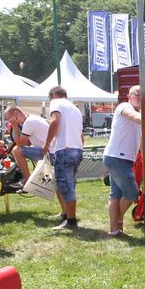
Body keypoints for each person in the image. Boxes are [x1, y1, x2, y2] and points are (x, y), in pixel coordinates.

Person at [42, 86, 84, 230]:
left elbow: (55, 122)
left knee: (66, 187)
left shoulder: (56, 103)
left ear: (53, 95)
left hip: (64, 149)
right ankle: (69, 218)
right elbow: (80, 133)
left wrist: (47, 144)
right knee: (70, 186)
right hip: (77, 149)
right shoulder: (75, 109)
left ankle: (71, 221)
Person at [103, 86, 141, 237]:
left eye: (142, 95)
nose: (140, 97)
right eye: (137, 94)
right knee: (132, 193)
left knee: (115, 195)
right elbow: (132, 116)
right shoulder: (124, 107)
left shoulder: (139, 114)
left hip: (119, 158)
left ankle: (114, 230)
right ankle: (118, 220)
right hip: (117, 158)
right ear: (129, 97)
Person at [3, 105, 50, 184]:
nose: (9, 121)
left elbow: (19, 144)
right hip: (48, 151)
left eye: (9, 118)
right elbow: (27, 143)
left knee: (16, 151)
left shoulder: (29, 122)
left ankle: (27, 182)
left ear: (16, 113)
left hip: (49, 153)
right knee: (17, 150)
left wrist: (14, 126)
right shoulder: (31, 119)